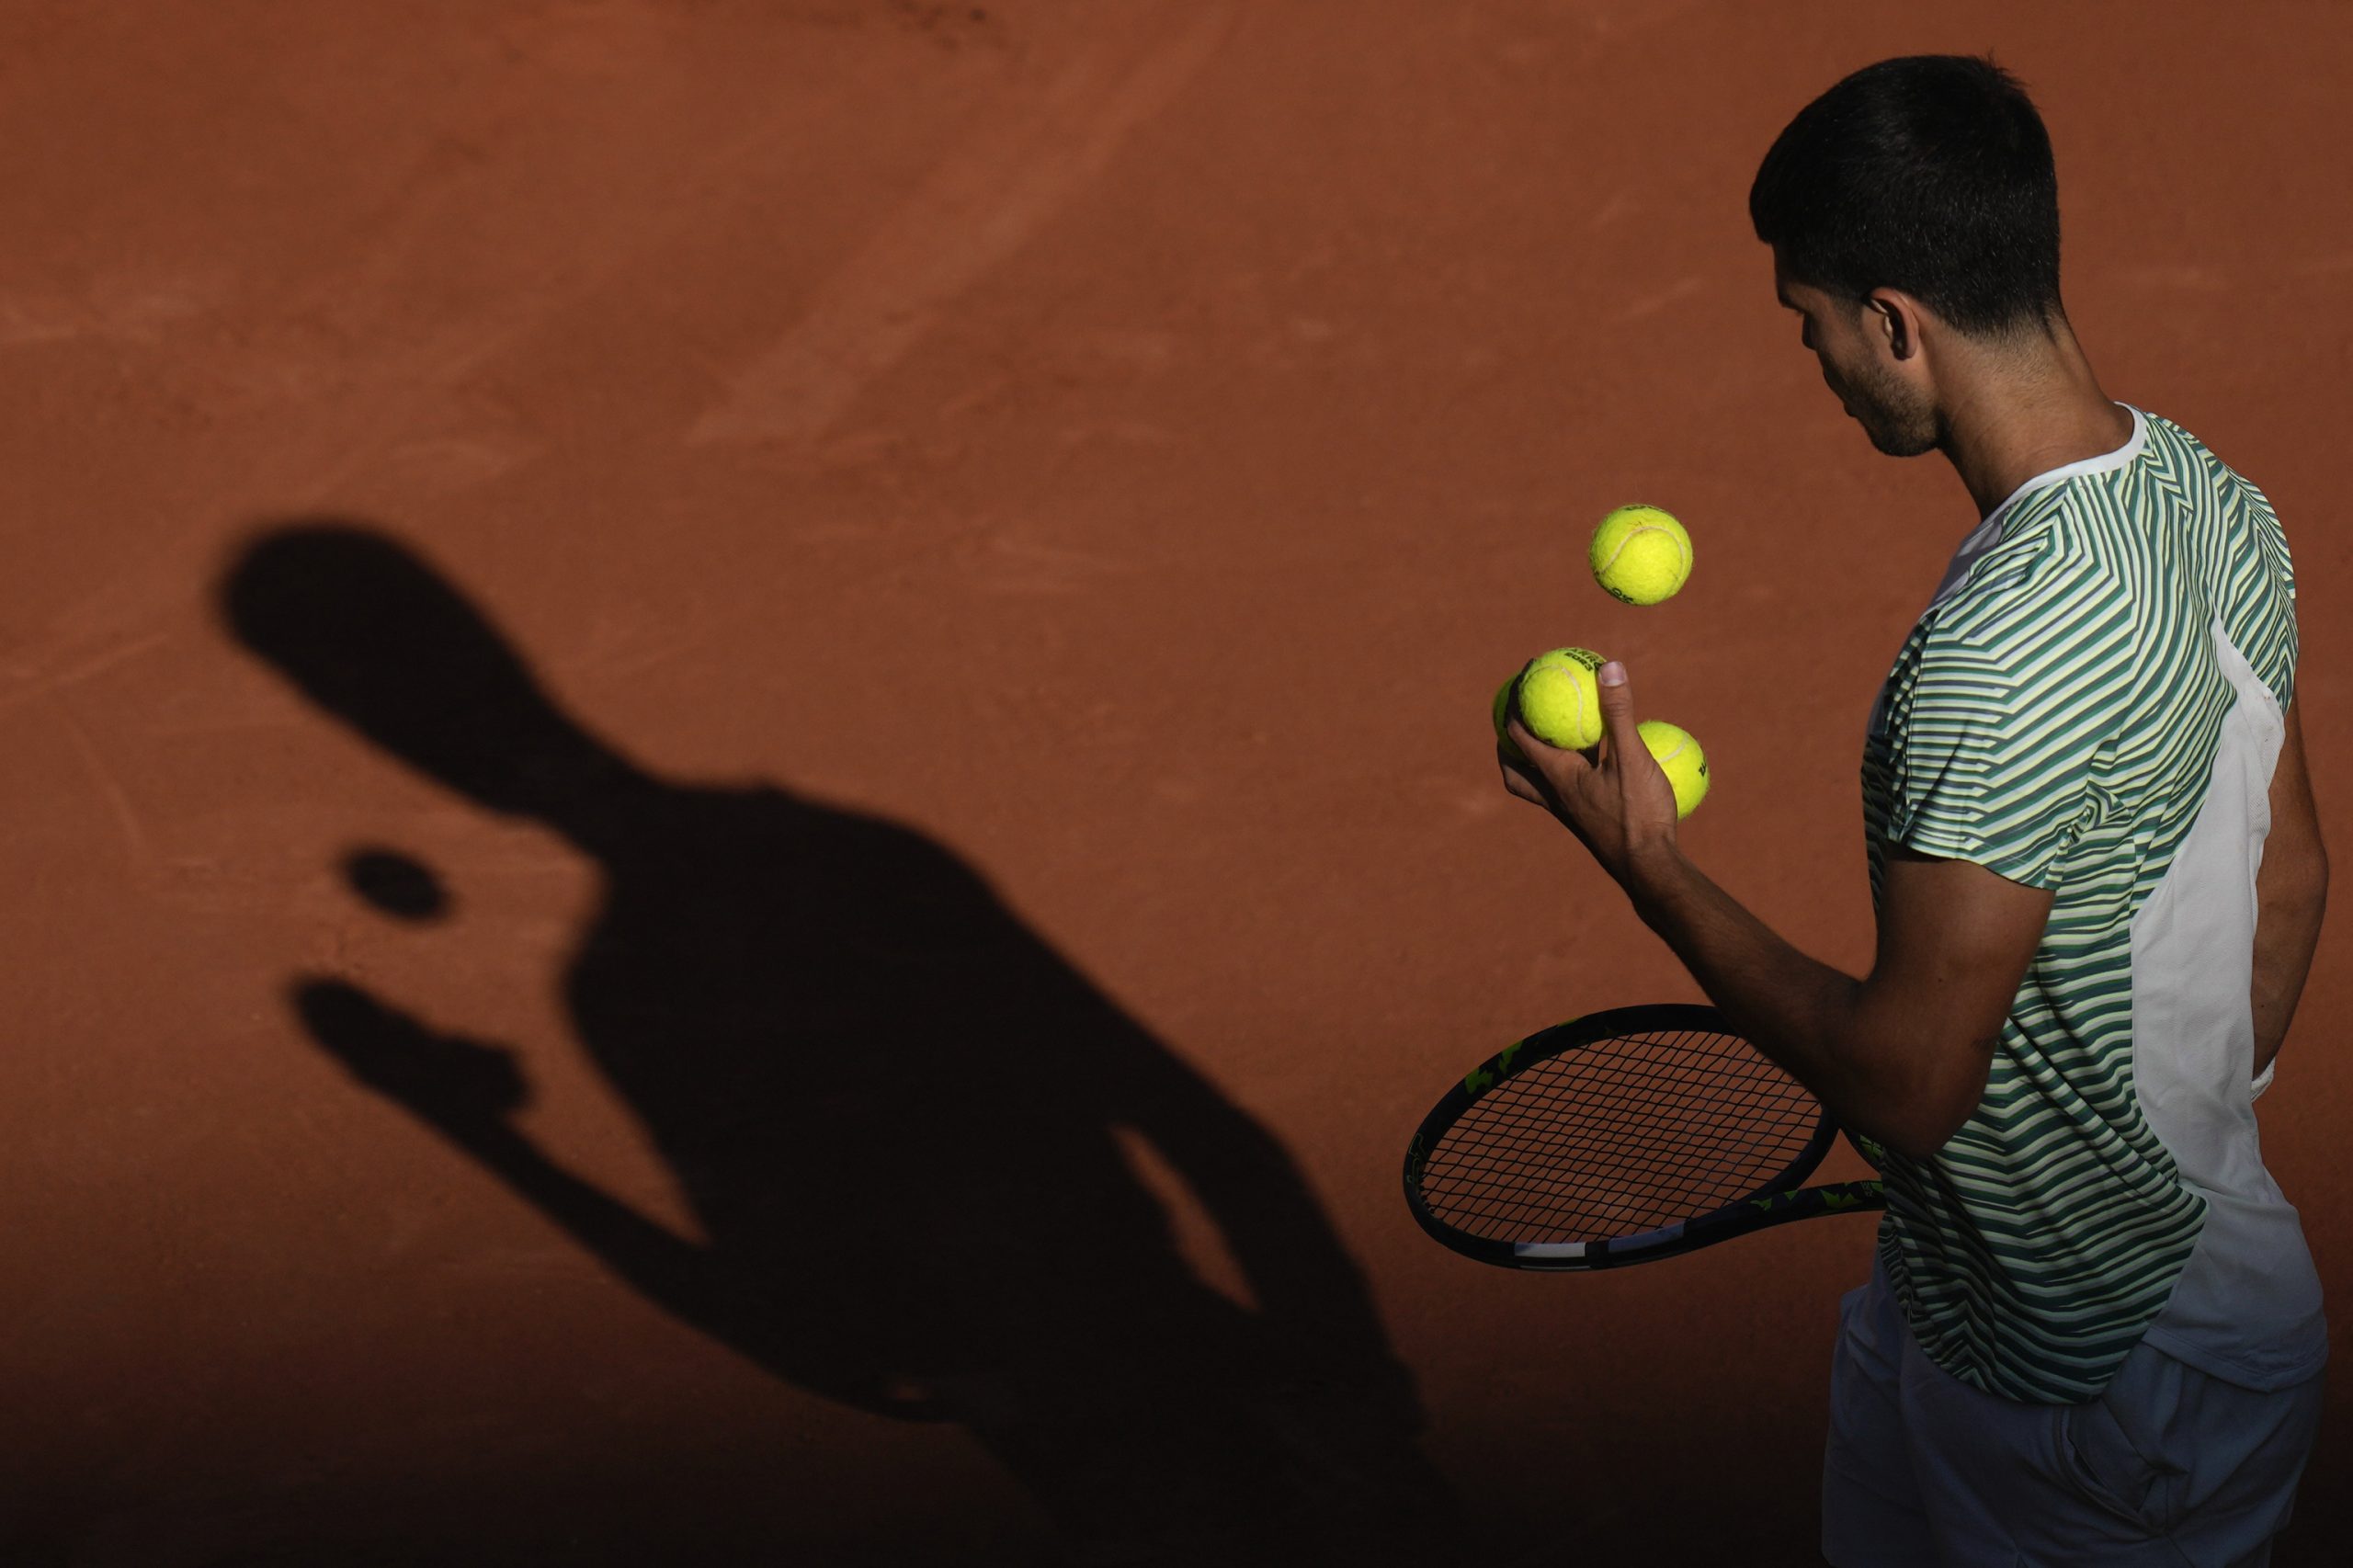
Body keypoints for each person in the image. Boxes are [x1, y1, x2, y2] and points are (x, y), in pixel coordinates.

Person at [1498, 54, 2328, 1566]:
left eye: (1808, 321)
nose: (1812, 359)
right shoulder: (2217, 499)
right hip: (1965, 1308)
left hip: (2105, 1394)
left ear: (1893, 322)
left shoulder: (1995, 660)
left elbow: (1907, 1081)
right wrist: (2156, 1135)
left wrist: (1651, 868)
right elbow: (2290, 882)